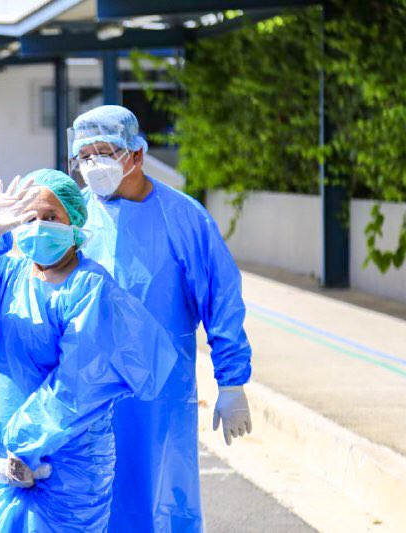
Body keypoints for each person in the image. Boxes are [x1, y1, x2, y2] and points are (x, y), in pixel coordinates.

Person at [0, 169, 180, 532]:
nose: (39, 227)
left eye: (51, 217)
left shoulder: (90, 288)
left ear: (74, 223)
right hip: (2, 469)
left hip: (66, 472)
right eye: (29, 218)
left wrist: (23, 445)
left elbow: (79, 384)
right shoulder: (6, 279)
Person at [68, 105, 253, 532]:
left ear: (136, 154)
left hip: (160, 397)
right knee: (88, 503)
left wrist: (232, 381)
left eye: (104, 152)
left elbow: (221, 298)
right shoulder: (74, 217)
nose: (93, 164)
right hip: (84, 393)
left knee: (162, 498)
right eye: (84, 155)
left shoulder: (182, 217)